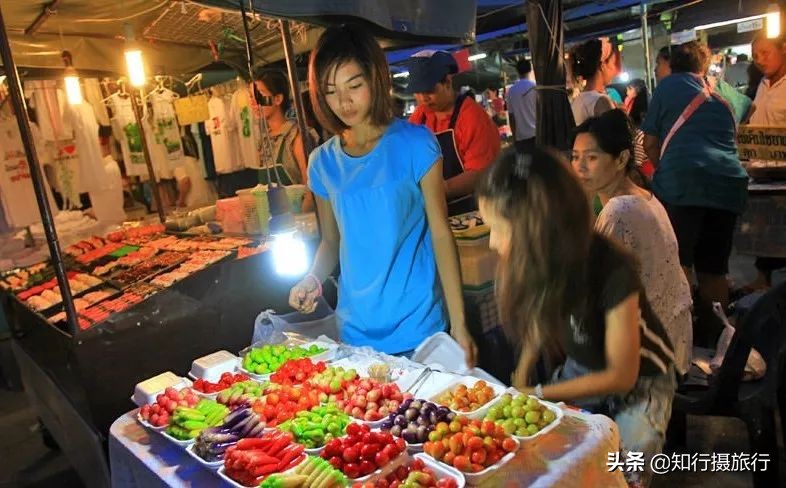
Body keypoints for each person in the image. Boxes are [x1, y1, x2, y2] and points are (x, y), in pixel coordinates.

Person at [478, 148, 676, 487]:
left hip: (642, 382)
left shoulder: (612, 269)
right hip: (583, 366)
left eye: (498, 229)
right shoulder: (539, 259)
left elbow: (621, 376)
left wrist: (539, 391)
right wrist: (522, 373)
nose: (493, 243)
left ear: (537, 230)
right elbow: (539, 317)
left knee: (622, 472)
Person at [288, 24, 477, 364]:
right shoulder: (322, 163)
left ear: (375, 79)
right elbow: (331, 241)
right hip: (355, 333)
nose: (343, 102)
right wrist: (313, 278)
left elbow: (440, 233)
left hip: (419, 327)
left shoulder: (416, 144)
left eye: (354, 86)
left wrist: (460, 325)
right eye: (330, 91)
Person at [572, 109, 692, 377]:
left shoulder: (618, 211)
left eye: (591, 158)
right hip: (674, 342)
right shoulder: (644, 196)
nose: (579, 167)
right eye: (575, 156)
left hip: (651, 359)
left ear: (621, 159)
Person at [642, 40, 748, 310]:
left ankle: (686, 328)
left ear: (673, 65)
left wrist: (665, 169)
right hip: (727, 185)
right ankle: (719, 330)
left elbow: (649, 143)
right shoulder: (721, 88)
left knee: (679, 265)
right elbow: (749, 109)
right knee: (714, 269)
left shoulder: (667, 87)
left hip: (682, 185)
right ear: (704, 65)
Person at [406, 50, 501, 216]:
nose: (423, 98)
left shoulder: (472, 116)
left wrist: (440, 189)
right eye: (417, 92)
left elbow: (481, 174)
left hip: (475, 210)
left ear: (448, 82)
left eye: (429, 90)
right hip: (437, 210)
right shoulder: (420, 116)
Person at [744, 34, 786, 290]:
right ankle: (763, 280)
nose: (760, 60)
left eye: (765, 53)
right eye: (755, 55)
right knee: (764, 229)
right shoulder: (760, 85)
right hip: (762, 173)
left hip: (784, 174)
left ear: (784, 49)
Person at [251, 69, 317, 212]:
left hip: (300, 219)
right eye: (252, 97)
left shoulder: (296, 136)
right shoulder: (263, 141)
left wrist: (301, 219)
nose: (255, 102)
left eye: (260, 95)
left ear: (278, 99)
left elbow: (311, 189)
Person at [570, 38, 619, 125]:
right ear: (602, 66)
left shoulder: (576, 101)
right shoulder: (601, 102)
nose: (615, 70)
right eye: (613, 63)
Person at [506, 58, 537, 154]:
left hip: (521, 138)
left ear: (517, 72)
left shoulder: (511, 91)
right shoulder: (535, 87)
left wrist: (514, 137)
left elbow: (511, 117)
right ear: (530, 70)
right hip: (536, 134)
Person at [623, 79, 649, 170]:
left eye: (629, 89)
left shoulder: (638, 134)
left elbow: (638, 163)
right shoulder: (632, 102)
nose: (627, 92)